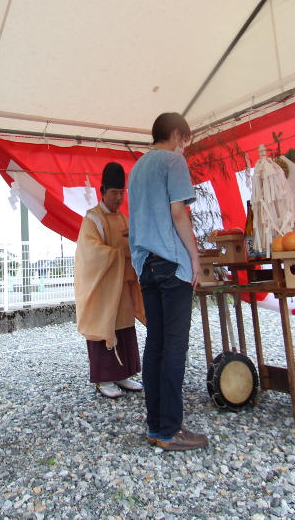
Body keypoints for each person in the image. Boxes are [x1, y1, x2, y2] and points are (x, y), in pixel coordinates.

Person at [128, 112, 208, 451]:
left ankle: (156, 427)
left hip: (145, 265)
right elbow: (178, 214)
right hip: (171, 264)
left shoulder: (138, 167)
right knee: (175, 346)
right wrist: (195, 257)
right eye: (185, 140)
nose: (185, 148)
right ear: (176, 134)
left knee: (156, 345)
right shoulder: (173, 162)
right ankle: (171, 431)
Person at [74, 162, 146, 398]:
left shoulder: (125, 219)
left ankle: (123, 374)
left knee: (124, 327)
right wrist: (119, 254)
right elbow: (90, 253)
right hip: (103, 286)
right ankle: (104, 378)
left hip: (122, 284)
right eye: (114, 193)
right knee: (105, 327)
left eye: (121, 193)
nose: (118, 198)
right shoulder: (92, 220)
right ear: (102, 191)